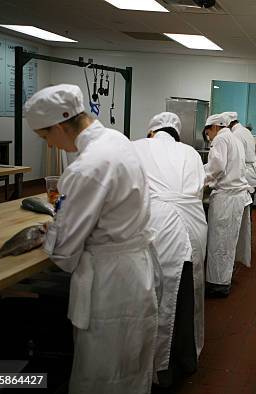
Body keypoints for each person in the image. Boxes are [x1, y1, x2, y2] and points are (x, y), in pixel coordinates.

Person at [24, 84, 158, 393]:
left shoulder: (87, 167)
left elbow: (63, 251)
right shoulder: (117, 141)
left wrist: (52, 233)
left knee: (102, 372)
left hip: (109, 282)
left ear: (59, 126)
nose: (53, 146)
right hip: (135, 269)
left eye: (46, 138)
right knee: (130, 365)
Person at [133, 112, 208, 386]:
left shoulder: (136, 147)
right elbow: (199, 189)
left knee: (155, 295)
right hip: (192, 225)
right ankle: (184, 361)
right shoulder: (190, 153)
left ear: (152, 132)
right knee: (186, 291)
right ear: (175, 135)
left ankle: (156, 369)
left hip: (155, 226)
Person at [203, 114, 252, 297]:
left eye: (207, 133)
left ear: (213, 127)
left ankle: (218, 285)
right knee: (227, 242)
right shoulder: (233, 137)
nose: (208, 137)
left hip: (227, 198)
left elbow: (216, 167)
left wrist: (196, 178)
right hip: (236, 197)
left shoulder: (221, 138)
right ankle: (223, 279)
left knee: (219, 242)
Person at [223, 111, 256, 208]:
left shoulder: (236, 134)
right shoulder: (245, 130)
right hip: (251, 173)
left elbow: (235, 157)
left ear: (229, 123)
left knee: (242, 209)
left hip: (245, 174)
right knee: (247, 207)